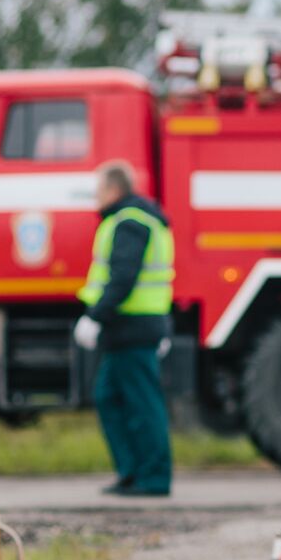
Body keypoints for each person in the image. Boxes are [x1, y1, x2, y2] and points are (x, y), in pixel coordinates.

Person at [74, 160, 175, 496]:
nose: (95, 198)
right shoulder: (132, 219)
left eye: (98, 190)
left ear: (114, 190)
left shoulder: (130, 222)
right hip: (129, 328)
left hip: (133, 327)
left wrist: (95, 316)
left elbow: (123, 277)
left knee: (141, 403)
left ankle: (154, 478)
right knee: (110, 397)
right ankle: (132, 472)